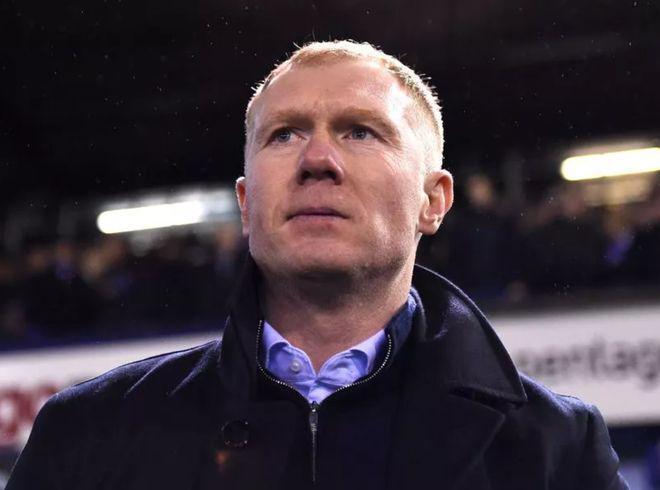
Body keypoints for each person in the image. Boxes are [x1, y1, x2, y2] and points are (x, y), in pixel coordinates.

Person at [7, 40, 627, 490]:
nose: (317, 160)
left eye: (360, 132)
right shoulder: (87, 432)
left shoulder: (556, 448)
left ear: (433, 201)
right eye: (284, 134)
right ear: (246, 205)